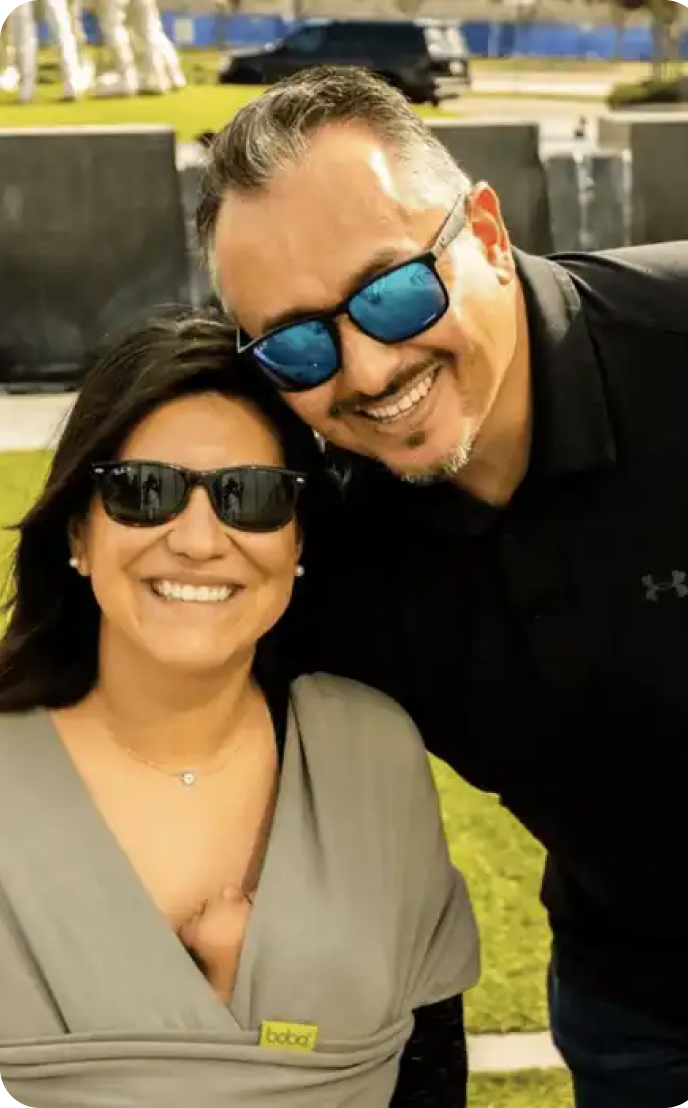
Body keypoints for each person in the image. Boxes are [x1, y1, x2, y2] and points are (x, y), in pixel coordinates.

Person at [195, 65, 688, 1108]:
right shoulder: (317, 542)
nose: (367, 368)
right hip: (636, 1011)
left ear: (482, 227)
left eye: (390, 291)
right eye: (295, 344)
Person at [0, 313, 478, 1108]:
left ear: (297, 543)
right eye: (143, 491)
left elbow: (429, 1067)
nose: (196, 539)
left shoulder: (369, 753)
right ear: (78, 533)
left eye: (248, 497)